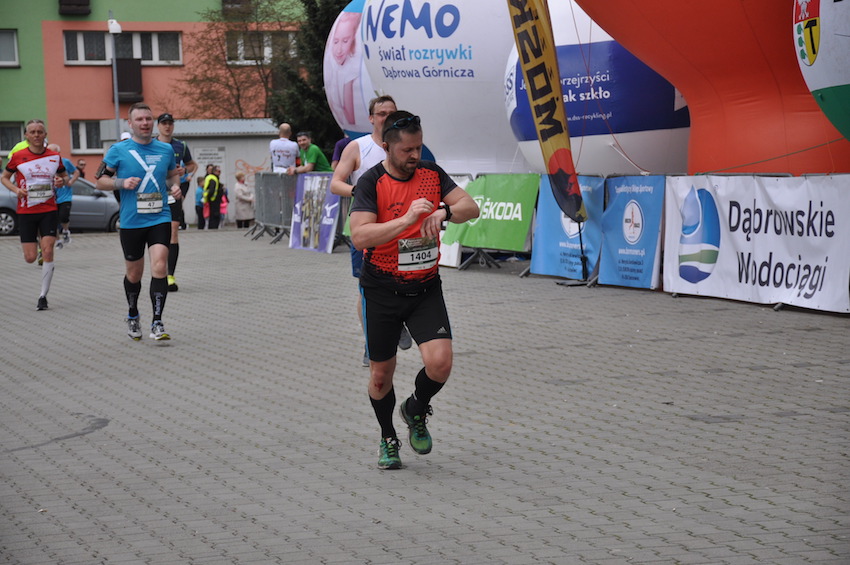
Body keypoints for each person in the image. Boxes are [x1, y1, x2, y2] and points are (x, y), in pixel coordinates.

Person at [349, 111, 480, 470]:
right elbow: (360, 236)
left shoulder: (431, 174)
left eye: (418, 147)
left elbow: (470, 207)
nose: (414, 155)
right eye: (407, 149)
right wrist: (406, 219)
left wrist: (444, 213)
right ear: (387, 147)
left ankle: (416, 409)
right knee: (380, 376)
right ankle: (388, 437)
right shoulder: (372, 182)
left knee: (440, 364)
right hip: (381, 289)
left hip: (424, 288)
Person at [331, 95, 412, 367]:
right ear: (371, 118)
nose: (386, 117)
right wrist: (360, 191)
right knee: (367, 288)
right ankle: (371, 344)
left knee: (405, 283)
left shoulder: (405, 146)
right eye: (381, 113)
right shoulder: (358, 147)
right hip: (366, 228)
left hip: (401, 227)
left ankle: (399, 323)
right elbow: (335, 184)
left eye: (391, 113)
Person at [95, 102, 182, 341]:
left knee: (160, 266)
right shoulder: (118, 150)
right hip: (132, 221)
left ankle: (157, 322)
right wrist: (121, 183)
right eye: (140, 119)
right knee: (134, 274)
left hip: (160, 216)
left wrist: (175, 188)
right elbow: (99, 181)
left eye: (148, 119)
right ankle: (133, 314)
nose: (145, 123)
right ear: (130, 123)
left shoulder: (165, 149)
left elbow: (171, 176)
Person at [2, 119, 70, 311]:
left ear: (45, 134)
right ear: (26, 135)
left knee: (48, 251)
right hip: (26, 211)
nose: (36, 135)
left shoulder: (54, 156)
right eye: (32, 132)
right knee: (30, 258)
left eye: (40, 132)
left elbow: (64, 177)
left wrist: (61, 181)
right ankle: (38, 245)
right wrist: (16, 190)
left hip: (48, 210)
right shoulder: (18, 156)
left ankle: (43, 296)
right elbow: (4, 177)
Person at [156, 113, 198, 291]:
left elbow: (192, 165)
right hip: (155, 194)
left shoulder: (181, 145)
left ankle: (170, 276)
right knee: (157, 233)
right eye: (164, 123)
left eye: (170, 123)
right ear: (158, 126)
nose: (167, 127)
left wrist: (185, 171)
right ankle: (157, 271)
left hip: (174, 193)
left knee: (173, 231)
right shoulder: (151, 144)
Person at [324, 11, 363, 129]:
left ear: (353, 41)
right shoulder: (333, 65)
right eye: (336, 42)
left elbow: (350, 116)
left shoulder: (350, 70)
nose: (339, 49)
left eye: (345, 41)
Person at [47, 143, 80, 249]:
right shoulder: (45, 163)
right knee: (53, 220)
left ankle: (65, 231)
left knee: (63, 216)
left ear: (58, 153)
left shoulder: (65, 162)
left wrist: (71, 181)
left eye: (53, 152)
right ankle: (58, 241)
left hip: (65, 195)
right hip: (51, 196)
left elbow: (76, 172)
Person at [203, 165, 223, 229]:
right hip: (213, 199)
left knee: (213, 215)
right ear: (214, 171)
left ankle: (213, 228)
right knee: (214, 216)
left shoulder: (213, 177)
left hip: (212, 199)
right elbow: (212, 190)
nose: (220, 173)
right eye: (218, 171)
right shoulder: (213, 178)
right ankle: (213, 228)